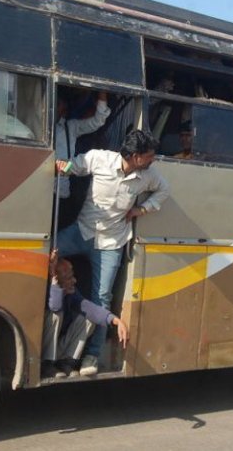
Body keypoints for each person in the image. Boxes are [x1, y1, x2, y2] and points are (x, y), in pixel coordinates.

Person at [54, 129, 169, 376]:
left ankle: (91, 356)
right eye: (150, 155)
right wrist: (65, 167)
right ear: (136, 156)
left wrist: (142, 210)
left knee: (102, 297)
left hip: (111, 243)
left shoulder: (148, 175)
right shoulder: (100, 158)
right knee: (44, 252)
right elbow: (76, 165)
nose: (153, 159)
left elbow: (164, 191)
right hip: (81, 231)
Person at [42, 251, 128, 378]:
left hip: (59, 346)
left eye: (73, 276)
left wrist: (116, 320)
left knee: (89, 319)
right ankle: (46, 364)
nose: (74, 281)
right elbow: (55, 306)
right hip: (43, 348)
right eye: (68, 278)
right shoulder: (50, 289)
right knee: (55, 315)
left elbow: (90, 308)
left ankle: (66, 361)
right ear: (56, 279)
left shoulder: (72, 293)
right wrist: (55, 286)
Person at [54, 91, 111, 228]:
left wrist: (102, 94)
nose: (53, 107)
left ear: (64, 109)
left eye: (57, 104)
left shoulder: (71, 127)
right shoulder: (33, 122)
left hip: (60, 192)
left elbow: (98, 121)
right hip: (37, 188)